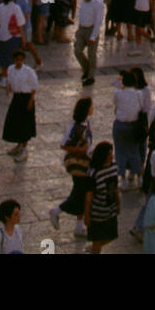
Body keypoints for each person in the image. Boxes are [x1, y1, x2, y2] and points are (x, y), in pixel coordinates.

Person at [51, 96, 94, 238]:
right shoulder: (75, 127)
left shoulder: (86, 123)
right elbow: (63, 144)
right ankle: (58, 210)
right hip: (79, 165)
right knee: (80, 192)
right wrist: (80, 151)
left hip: (86, 163)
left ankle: (79, 226)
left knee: (81, 192)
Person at [2, 48, 38, 162]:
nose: (19, 62)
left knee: (25, 123)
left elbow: (34, 86)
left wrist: (31, 101)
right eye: (17, 59)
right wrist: (8, 89)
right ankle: (18, 145)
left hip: (26, 98)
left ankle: (24, 149)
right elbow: (9, 81)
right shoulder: (11, 69)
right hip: (17, 98)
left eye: (21, 60)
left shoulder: (28, 71)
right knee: (15, 122)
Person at [84, 141, 120, 254]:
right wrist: (87, 215)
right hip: (97, 214)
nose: (112, 156)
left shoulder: (114, 167)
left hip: (110, 210)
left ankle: (95, 247)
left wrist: (118, 203)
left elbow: (115, 187)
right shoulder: (93, 173)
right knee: (97, 239)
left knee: (112, 235)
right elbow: (88, 196)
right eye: (109, 154)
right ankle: (96, 247)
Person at [74, 0, 105, 87]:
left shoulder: (98, 4)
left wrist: (93, 36)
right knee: (77, 51)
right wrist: (78, 29)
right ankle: (87, 69)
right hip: (82, 29)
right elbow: (81, 15)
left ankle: (91, 76)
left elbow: (98, 21)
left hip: (91, 30)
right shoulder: (83, 1)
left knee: (91, 55)